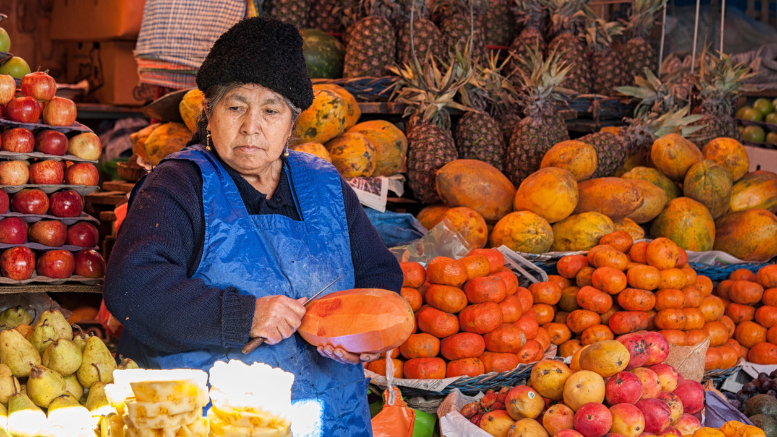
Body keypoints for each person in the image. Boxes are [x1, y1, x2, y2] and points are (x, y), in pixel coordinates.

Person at [103, 17, 403, 436]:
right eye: (235, 106)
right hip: (212, 420)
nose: (251, 126)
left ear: (291, 124)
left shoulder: (324, 183)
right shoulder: (177, 184)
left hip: (329, 420)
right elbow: (133, 288)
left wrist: (361, 336)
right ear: (209, 114)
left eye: (271, 110)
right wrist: (246, 315)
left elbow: (380, 274)